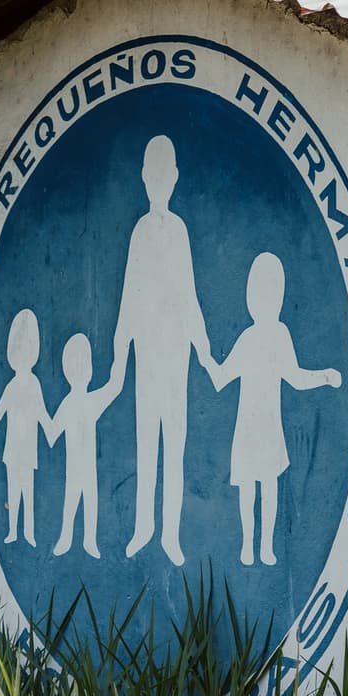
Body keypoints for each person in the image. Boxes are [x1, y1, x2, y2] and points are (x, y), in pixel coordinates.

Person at [105, 135, 211, 565]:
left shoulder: (180, 232)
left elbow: (190, 297)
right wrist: (117, 358)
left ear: (174, 178)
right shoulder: (140, 232)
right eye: (153, 175)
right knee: (146, 444)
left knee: (176, 445)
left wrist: (205, 353)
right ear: (145, 178)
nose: (159, 183)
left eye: (166, 175)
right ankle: (142, 527)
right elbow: (128, 299)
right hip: (146, 360)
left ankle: (170, 534)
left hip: (176, 359)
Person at [207, 254, 341, 566]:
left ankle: (265, 546)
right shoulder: (248, 338)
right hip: (248, 428)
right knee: (249, 489)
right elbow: (220, 378)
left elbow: (295, 377)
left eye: (272, 291)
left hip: (269, 428)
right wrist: (203, 357)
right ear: (251, 296)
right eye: (260, 291)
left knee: (268, 487)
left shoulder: (280, 334)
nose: (266, 298)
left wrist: (324, 375)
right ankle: (248, 545)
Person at [45, 332, 121, 558]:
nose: (81, 370)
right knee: (78, 500)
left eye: (83, 364)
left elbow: (50, 434)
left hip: (85, 467)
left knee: (86, 500)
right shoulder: (78, 403)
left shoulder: (82, 402)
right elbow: (52, 433)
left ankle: (86, 540)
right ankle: (70, 538)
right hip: (78, 467)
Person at [0, 308, 49, 547]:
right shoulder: (12, 385)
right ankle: (13, 530)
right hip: (13, 450)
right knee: (13, 492)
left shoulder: (34, 383)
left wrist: (51, 430)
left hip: (28, 448)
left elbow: (42, 412)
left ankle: (28, 532)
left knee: (27, 493)